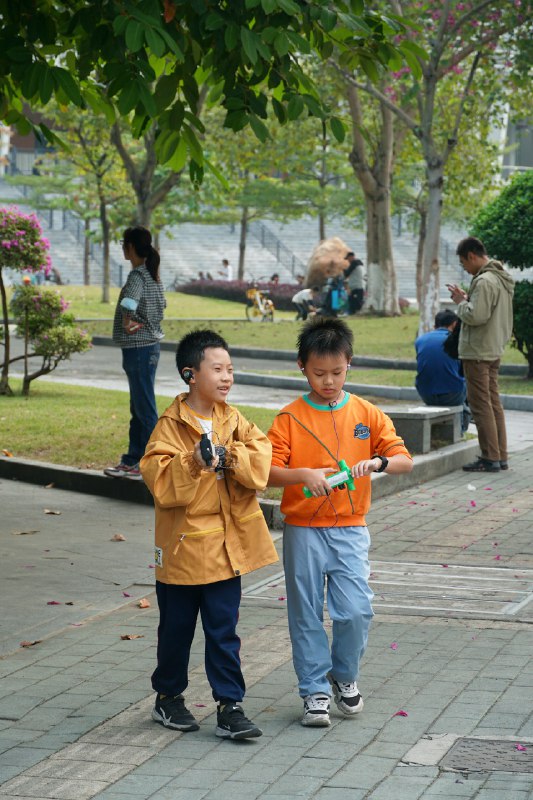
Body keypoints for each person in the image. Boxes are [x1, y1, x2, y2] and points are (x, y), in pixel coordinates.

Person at [267, 317, 413, 727]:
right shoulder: (289, 418)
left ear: (349, 363)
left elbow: (403, 460)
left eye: (336, 371)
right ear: (301, 366)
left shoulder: (367, 412)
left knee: (356, 611)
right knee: (306, 612)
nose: (328, 381)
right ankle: (314, 690)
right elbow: (266, 471)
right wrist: (301, 476)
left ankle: (343, 676)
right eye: (318, 373)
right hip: (303, 531)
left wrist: (380, 461)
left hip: (351, 527)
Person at [140, 329, 278, 739]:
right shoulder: (169, 424)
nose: (226, 377)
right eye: (217, 369)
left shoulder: (232, 419)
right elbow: (157, 477)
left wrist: (231, 455)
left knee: (223, 632)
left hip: (224, 549)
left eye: (230, 369)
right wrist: (193, 460)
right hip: (183, 551)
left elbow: (261, 455)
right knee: (176, 631)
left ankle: (230, 705)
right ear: (190, 374)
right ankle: (168, 699)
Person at [447, 236, 514, 472]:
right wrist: (467, 298)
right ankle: (500, 455)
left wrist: (460, 302)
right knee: (493, 403)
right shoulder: (499, 277)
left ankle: (489, 457)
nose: (464, 268)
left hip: (478, 351)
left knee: (481, 405)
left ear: (472, 256)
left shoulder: (485, 281)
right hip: (492, 348)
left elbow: (476, 316)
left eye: (464, 262)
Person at [104, 226, 166, 480]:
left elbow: (129, 301)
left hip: (138, 348)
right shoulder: (153, 276)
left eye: (123, 243)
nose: (122, 248)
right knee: (139, 405)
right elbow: (162, 306)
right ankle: (133, 459)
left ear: (130, 247)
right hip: (150, 346)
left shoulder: (137, 277)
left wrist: (128, 321)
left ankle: (153, 463)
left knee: (144, 408)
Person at [415, 309, 471, 433]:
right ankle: (462, 426)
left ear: (435, 325)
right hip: (453, 395)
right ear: (454, 324)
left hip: (426, 394)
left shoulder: (420, 340)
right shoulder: (458, 341)